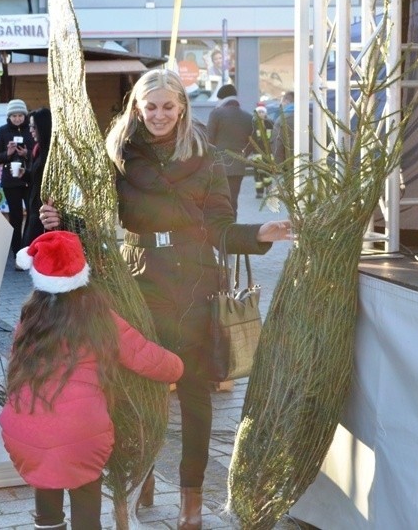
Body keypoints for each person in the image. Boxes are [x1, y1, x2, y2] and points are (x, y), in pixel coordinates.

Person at [39, 69, 291, 530]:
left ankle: (191, 500)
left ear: (182, 108)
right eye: (149, 106)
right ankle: (138, 477)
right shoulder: (117, 156)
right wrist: (62, 217)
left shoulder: (207, 158)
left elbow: (218, 228)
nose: (158, 115)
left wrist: (258, 233)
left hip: (196, 281)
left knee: (194, 391)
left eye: (167, 106)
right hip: (139, 281)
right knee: (134, 385)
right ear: (137, 107)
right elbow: (94, 219)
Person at [0, 230, 184, 530]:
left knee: (48, 470)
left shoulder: (29, 317)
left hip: (23, 427)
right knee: (82, 480)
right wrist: (178, 367)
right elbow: (143, 356)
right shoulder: (99, 316)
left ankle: (48, 522)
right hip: (82, 429)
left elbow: (13, 364)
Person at [0, 98, 34, 261]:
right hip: (11, 180)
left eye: (20, 115)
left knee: (32, 214)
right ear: (9, 117)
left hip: (29, 178)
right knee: (15, 216)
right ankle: (16, 250)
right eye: (14, 116)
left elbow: (38, 153)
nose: (17, 119)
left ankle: (29, 247)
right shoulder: (3, 131)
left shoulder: (31, 130)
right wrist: (7, 154)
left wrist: (27, 154)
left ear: (25, 115)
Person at [206, 84, 254, 218]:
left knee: (217, 199)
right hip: (238, 166)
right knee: (233, 201)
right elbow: (254, 143)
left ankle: (220, 229)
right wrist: (243, 155)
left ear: (221, 99)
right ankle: (232, 227)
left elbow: (209, 139)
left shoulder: (216, 114)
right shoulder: (248, 117)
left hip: (217, 165)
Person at [22, 107, 52, 247]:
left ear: (43, 127)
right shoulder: (38, 149)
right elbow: (36, 179)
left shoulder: (51, 152)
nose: (31, 130)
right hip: (34, 207)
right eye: (30, 127)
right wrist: (25, 174)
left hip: (45, 211)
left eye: (34, 127)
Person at [271, 91, 295, 182]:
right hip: (311, 164)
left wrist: (279, 165)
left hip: (289, 165)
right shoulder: (311, 117)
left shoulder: (281, 120)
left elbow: (277, 144)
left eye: (282, 102)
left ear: (287, 101)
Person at [251, 105, 274, 198]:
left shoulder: (270, 123)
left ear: (265, 113)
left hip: (268, 155)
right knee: (258, 175)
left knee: (268, 174)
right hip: (257, 155)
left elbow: (274, 138)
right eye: (259, 112)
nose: (261, 114)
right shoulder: (253, 125)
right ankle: (259, 192)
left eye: (262, 112)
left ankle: (269, 189)